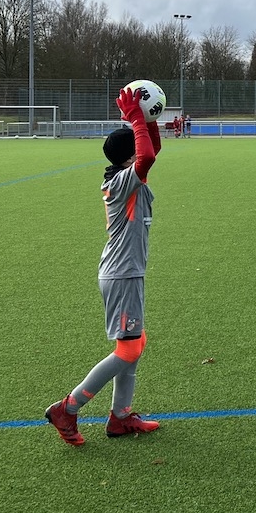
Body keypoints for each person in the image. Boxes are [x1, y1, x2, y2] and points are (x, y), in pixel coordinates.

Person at [44, 87, 162, 447]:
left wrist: (145, 120)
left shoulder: (123, 176)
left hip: (126, 272)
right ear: (130, 156)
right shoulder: (124, 180)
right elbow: (147, 157)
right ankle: (67, 408)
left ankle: (120, 418)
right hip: (122, 274)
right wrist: (137, 119)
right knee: (128, 350)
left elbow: (150, 151)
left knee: (135, 343)